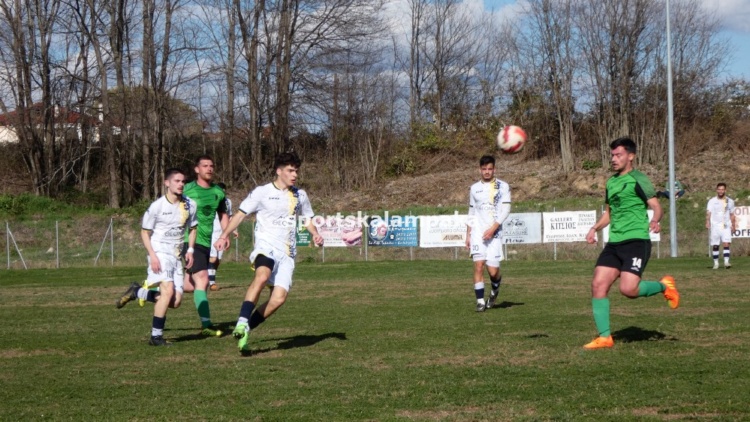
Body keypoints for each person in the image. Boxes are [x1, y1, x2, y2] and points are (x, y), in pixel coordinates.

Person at [214, 152, 324, 353]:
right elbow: (240, 215)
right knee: (262, 275)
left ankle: (246, 329)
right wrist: (223, 235)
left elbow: (307, 218)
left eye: (296, 171)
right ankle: (241, 321)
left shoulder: (300, 195)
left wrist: (315, 234)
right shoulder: (262, 192)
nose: (295, 175)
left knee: (278, 299)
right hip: (266, 246)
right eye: (290, 170)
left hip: (287, 253)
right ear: (279, 171)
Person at [583, 137, 680, 349]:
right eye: (612, 155)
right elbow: (609, 213)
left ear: (631, 156)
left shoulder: (639, 179)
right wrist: (594, 228)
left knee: (628, 290)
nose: (613, 159)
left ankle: (664, 286)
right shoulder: (611, 182)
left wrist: (655, 220)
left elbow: (656, 206)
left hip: (636, 241)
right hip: (614, 243)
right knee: (598, 284)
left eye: (618, 155)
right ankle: (605, 337)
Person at [116, 168, 198, 346]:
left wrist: (190, 250)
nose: (181, 184)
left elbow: (193, 228)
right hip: (160, 252)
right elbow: (145, 232)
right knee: (167, 292)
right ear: (167, 183)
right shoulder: (157, 206)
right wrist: (153, 256)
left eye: (183, 181)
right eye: (177, 181)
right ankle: (156, 337)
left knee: (175, 301)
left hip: (176, 255)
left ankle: (137, 292)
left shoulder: (190, 204)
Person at [182, 155, 228, 337]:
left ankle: (145, 291)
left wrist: (225, 235)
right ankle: (206, 325)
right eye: (205, 166)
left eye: (211, 166)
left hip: (206, 242)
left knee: (188, 286)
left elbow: (223, 214)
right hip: (188, 240)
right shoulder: (187, 189)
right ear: (197, 169)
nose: (209, 168)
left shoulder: (218, 192)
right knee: (203, 279)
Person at [465, 155, 511, 312]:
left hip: (495, 233)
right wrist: (468, 234)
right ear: (480, 169)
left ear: (494, 169)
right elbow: (471, 212)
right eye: (484, 169)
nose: (486, 172)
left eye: (489, 169)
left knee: (493, 271)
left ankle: (494, 290)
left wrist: (492, 229)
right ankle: (480, 301)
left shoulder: (503, 187)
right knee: (478, 265)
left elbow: (506, 210)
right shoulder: (474, 188)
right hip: (478, 233)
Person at [208, 182, 238, 291]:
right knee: (213, 258)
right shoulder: (210, 200)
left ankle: (208, 277)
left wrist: (233, 229)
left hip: (222, 234)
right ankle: (212, 283)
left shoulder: (227, 202)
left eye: (224, 192)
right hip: (211, 233)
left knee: (218, 260)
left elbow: (229, 217)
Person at [706, 183, 736, 269]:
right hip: (715, 225)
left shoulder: (730, 201)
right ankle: (716, 263)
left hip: (726, 225)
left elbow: (732, 214)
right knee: (715, 245)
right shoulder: (712, 201)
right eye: (719, 189)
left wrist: (733, 225)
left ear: (725, 190)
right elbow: (708, 212)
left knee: (726, 243)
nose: (720, 191)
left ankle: (726, 262)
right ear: (716, 190)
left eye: (722, 189)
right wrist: (707, 222)